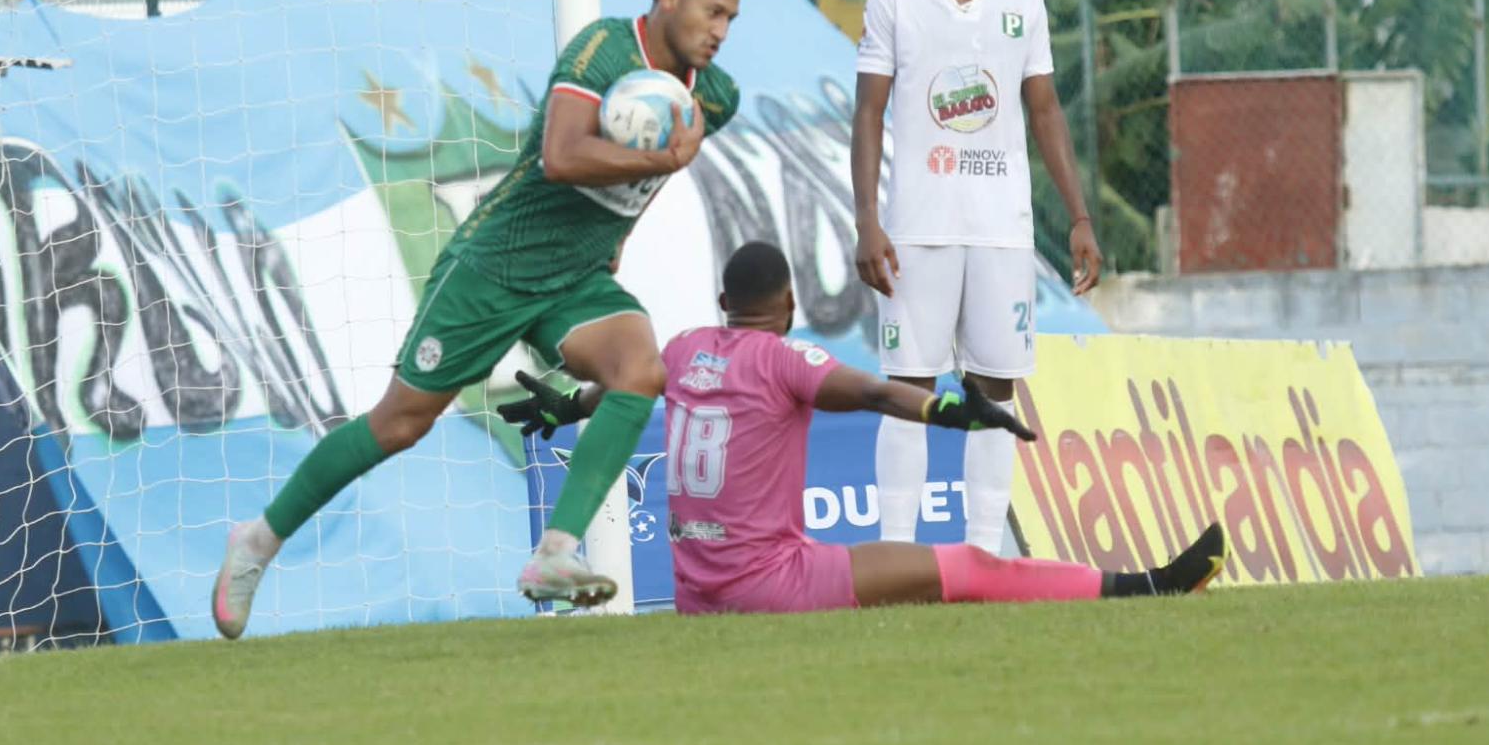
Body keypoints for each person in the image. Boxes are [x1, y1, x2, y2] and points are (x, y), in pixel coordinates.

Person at [211, 0, 745, 639]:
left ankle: (556, 553)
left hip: (577, 277)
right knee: (400, 422)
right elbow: (562, 155)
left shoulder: (715, 93)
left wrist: (623, 231)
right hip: (495, 265)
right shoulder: (603, 51)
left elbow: (651, 176)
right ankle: (256, 542)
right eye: (714, 11)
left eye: (731, 17)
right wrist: (662, 158)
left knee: (639, 370)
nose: (722, 29)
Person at [502, 242, 1223, 614]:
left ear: (724, 301)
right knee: (970, 568)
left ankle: (1147, 585)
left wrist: (566, 406)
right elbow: (875, 392)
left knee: (883, 569)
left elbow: (625, 386)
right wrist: (949, 408)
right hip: (771, 584)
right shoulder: (787, 358)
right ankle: (1147, 587)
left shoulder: (687, 346)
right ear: (787, 303)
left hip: (700, 591)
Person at [851, 0, 1103, 554]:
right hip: (916, 227)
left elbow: (1044, 107)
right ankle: (895, 550)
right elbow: (868, 111)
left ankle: (985, 551)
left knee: (998, 386)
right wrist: (868, 220)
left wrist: (1080, 216)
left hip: (1001, 229)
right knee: (908, 386)